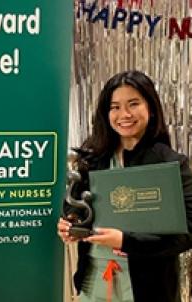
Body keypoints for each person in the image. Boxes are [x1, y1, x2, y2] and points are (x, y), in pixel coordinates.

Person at [58, 70, 192, 302]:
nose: (124, 114)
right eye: (115, 107)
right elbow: (77, 211)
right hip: (94, 280)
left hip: (147, 287)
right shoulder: (92, 161)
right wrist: (70, 226)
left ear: (150, 108)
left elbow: (188, 232)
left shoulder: (170, 164)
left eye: (133, 104)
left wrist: (125, 242)